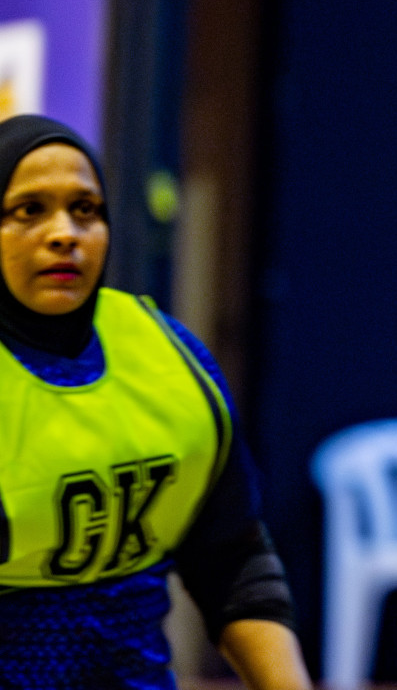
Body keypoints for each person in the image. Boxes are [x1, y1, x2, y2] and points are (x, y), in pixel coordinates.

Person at [0, 115, 311, 690]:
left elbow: (232, 559)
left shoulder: (168, 353)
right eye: (29, 211)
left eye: (85, 209)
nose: (64, 232)